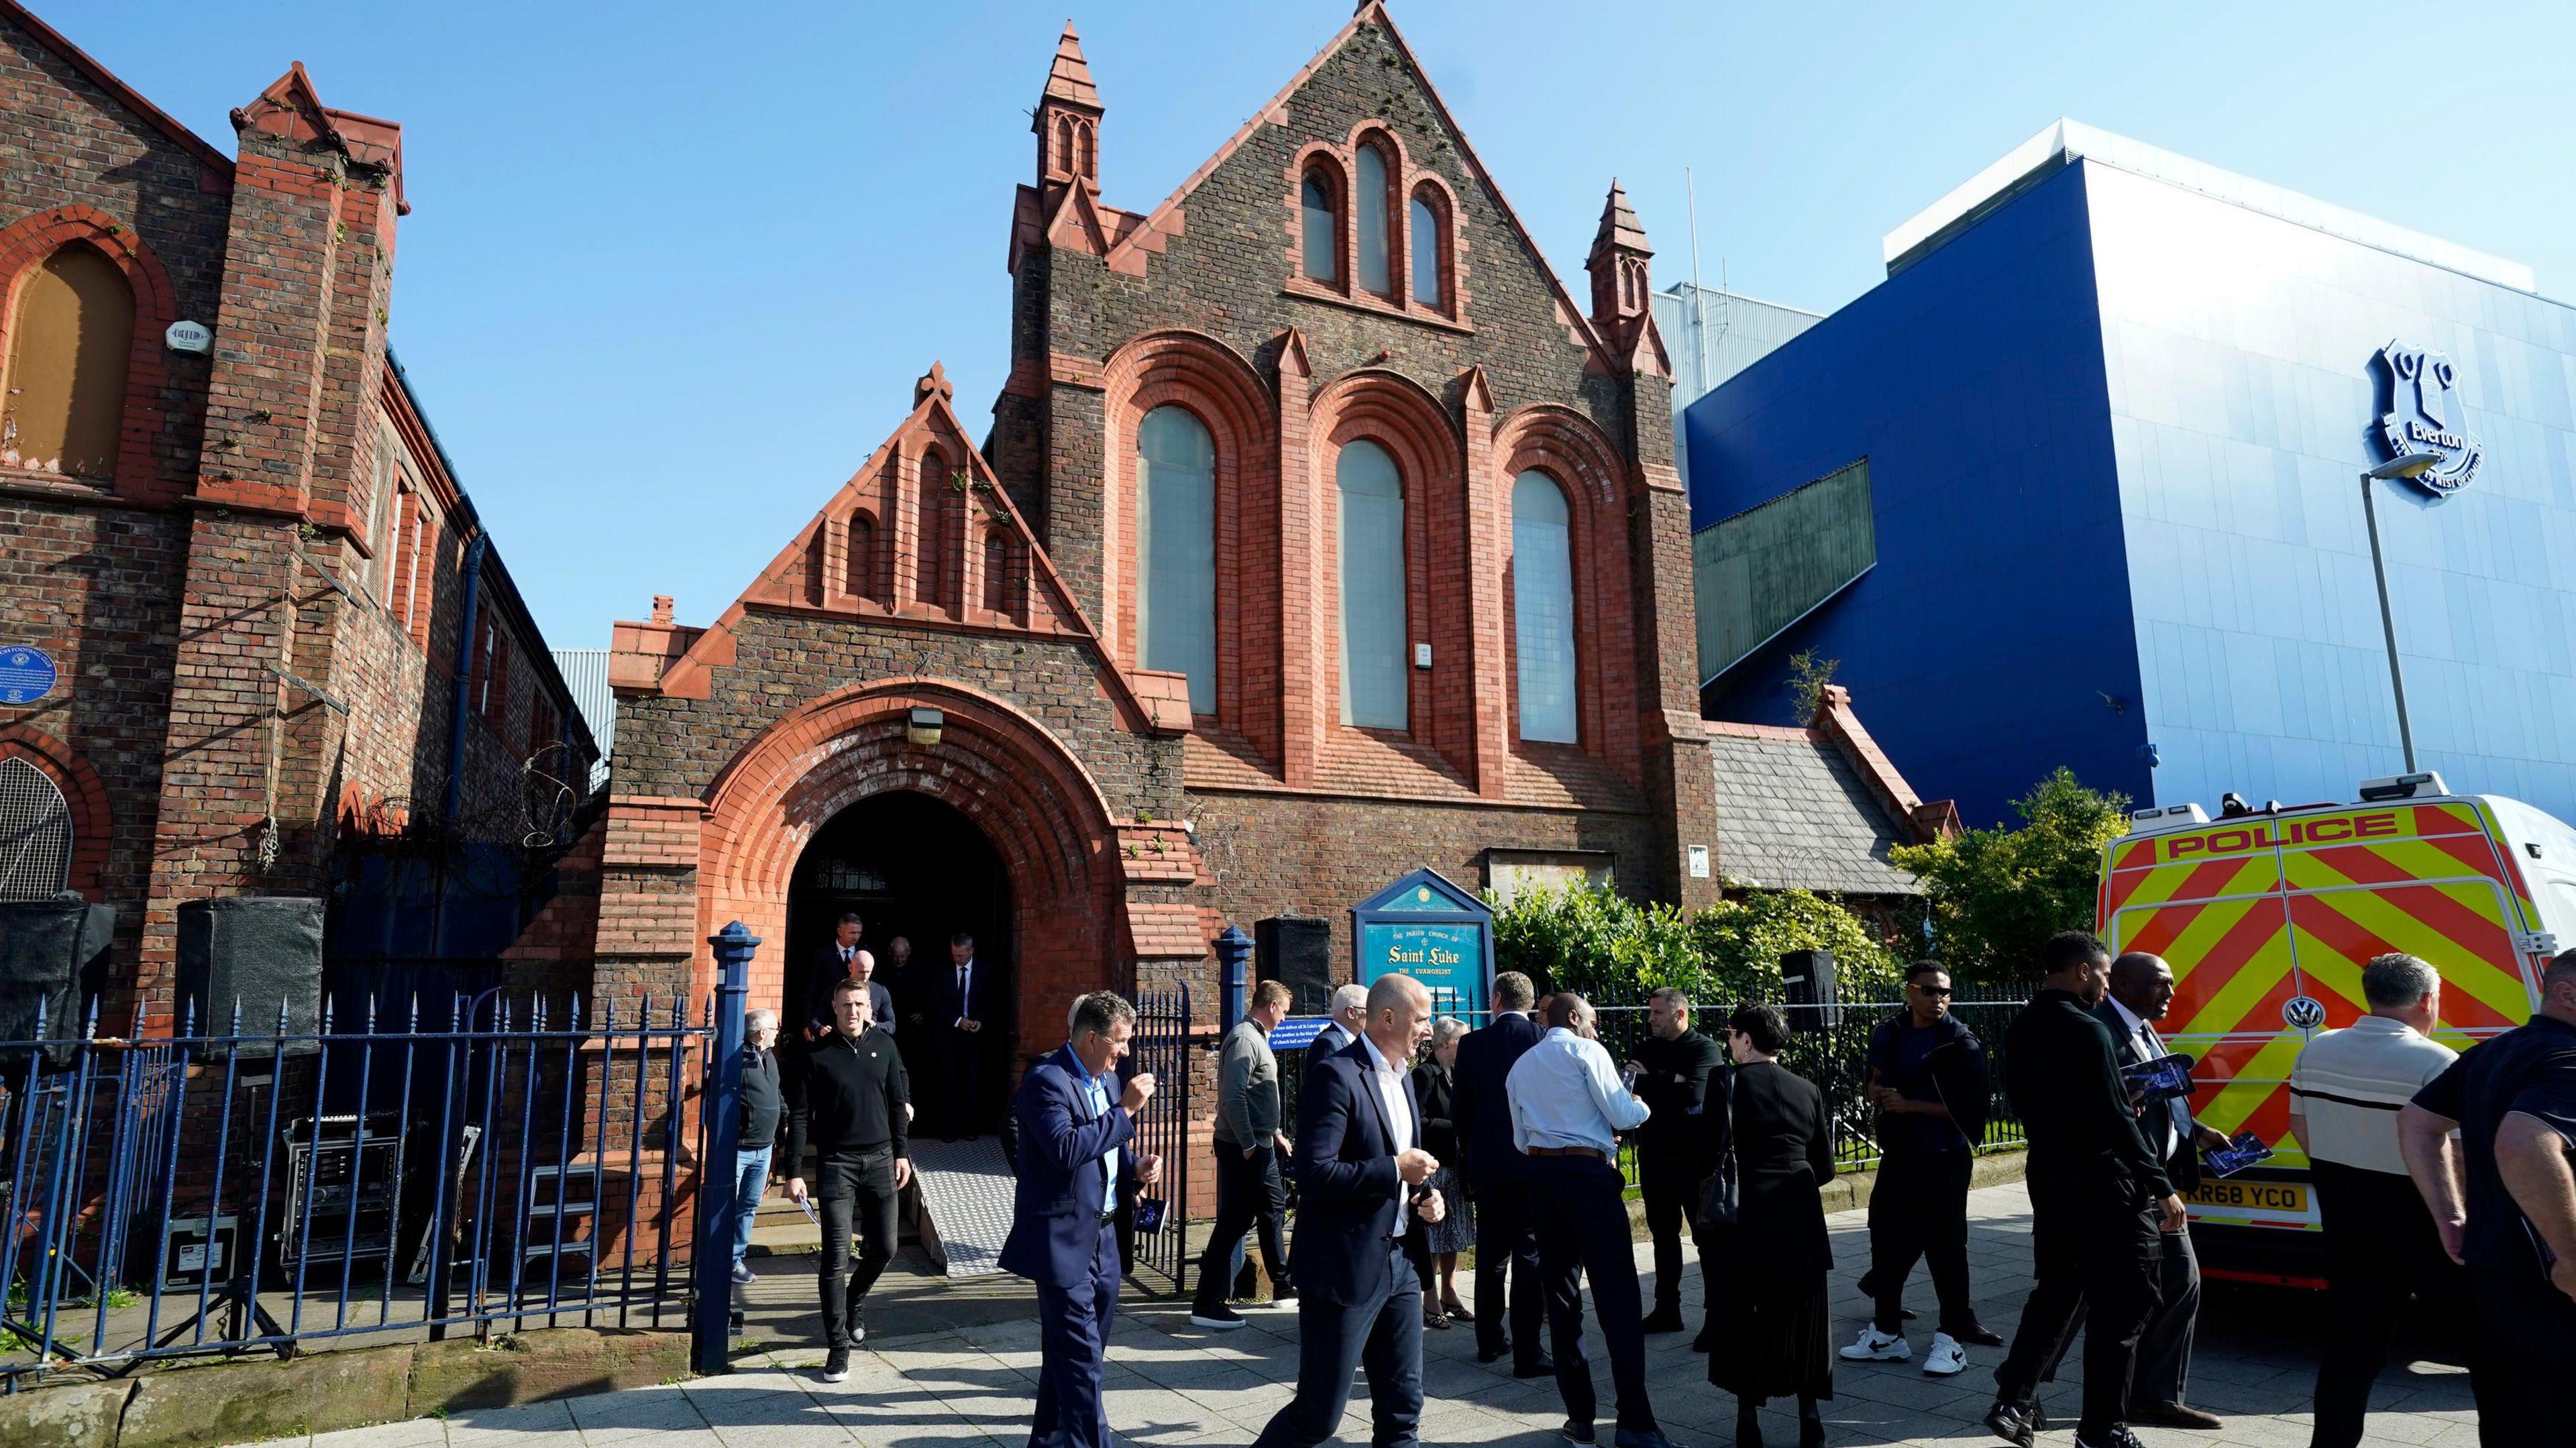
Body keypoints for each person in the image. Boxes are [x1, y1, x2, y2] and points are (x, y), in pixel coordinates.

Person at [2291, 952, 2502, 1448]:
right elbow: (2460, 1154)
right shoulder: (2437, 1061)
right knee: (2485, 1348)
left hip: (2347, 1219)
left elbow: (2302, 1126)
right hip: (2424, 1222)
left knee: (2351, 1347)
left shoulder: (2315, 1050)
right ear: (2428, 1000)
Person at [1985, 931, 2180, 1448]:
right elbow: (2114, 1119)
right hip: (2106, 1184)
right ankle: (2102, 1428)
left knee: (2059, 1288)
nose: (2106, 983)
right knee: (2128, 1301)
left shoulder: (2021, 1025)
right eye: (2103, 973)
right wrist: (2161, 1186)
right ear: (2082, 972)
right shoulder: (2088, 1029)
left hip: (2050, 1175)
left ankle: (2013, 1399)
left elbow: (2045, 1102)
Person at [1251, 973, 1448, 1448]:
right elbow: (1314, 1171)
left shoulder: (1403, 1079)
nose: (1429, 1029)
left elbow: (1405, 1168)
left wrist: (1425, 1196)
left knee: (1403, 1409)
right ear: (1387, 1018)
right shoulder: (1336, 1074)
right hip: (1346, 1266)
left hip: (1401, 1264)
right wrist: (1394, 1168)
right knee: (1318, 1416)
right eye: (1422, 1018)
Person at [2400, 948, 2576, 1443]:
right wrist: (2570, 1255)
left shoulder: (2493, 1050)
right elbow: (2524, 1142)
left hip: (2492, 1269)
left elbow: (2416, 1122)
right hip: (2552, 1282)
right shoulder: (2568, 1058)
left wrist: (2448, 1215)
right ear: (2567, 994)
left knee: (2507, 1415)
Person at [1509, 992, 1677, 1448]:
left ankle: (1580, 1417)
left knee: (1561, 1297)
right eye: (1594, 1020)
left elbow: (1521, 1139)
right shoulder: (1587, 1051)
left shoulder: (1521, 1065)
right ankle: (1635, 1422)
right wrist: (1638, 1104)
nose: (1597, 1029)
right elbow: (1623, 1113)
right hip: (1587, 1174)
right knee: (1617, 1294)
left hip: (1542, 1176)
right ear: (1574, 1016)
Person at [2066, 952, 2224, 1429]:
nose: (2171, 993)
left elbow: (2153, 1092)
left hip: (2154, 1180)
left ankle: (2153, 1396)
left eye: (2171, 983)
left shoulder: (2141, 1027)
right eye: (2161, 984)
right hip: (2127, 1184)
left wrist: (2195, 1131)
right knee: (2081, 1294)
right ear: (2123, 984)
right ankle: (2024, 1382)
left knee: (2177, 1282)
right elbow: (2102, 1109)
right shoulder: (2101, 1031)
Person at [1000, 992, 1163, 1448]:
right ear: (1091, 1038)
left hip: (1108, 1239)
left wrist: (1135, 1168)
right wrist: (1127, 1110)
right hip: (1063, 1242)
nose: (1126, 1051)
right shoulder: (1045, 1080)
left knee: (1069, 1358)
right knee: (1085, 1362)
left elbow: (1108, 1148)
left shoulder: (1109, 1081)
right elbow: (1067, 1149)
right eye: (1120, 1040)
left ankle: (1048, 1440)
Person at [1842, 962, 1997, 1376]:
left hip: (1944, 1156)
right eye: (1929, 991)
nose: (1939, 999)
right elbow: (1873, 1079)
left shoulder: (1960, 1042)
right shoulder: (1889, 1032)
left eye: (1945, 991)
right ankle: (1887, 1334)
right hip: (1900, 1154)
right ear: (1910, 991)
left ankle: (1951, 1339)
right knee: (1886, 1239)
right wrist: (1877, 1091)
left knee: (1946, 1246)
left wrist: (1910, 1105)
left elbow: (1972, 1111)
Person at [1701, 1004, 1836, 1448]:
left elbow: (1708, 1153)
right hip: (1800, 1214)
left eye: (1732, 1033)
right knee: (1803, 1315)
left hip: (1746, 1216)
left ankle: (1747, 1421)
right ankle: (1809, 1415)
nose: (1729, 1041)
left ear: (1746, 1039)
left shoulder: (1725, 1082)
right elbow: (1827, 1166)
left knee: (1743, 1314)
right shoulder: (1807, 1088)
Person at [785, 979, 912, 1380]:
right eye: (845, 1005)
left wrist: (902, 1153)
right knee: (835, 1256)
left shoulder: (886, 1047)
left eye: (859, 1004)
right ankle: (837, 1346)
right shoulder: (817, 1055)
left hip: (880, 1160)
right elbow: (800, 1116)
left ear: (870, 1007)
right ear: (834, 1008)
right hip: (836, 1163)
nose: (852, 1011)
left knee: (887, 1247)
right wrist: (792, 1173)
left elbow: (897, 1102)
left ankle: (855, 1299)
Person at [1452, 970, 1549, 1374]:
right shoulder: (1543, 1041)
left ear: (1495, 1001)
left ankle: (1489, 1340)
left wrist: (1470, 1153)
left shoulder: (1472, 1044)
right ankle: (1529, 1349)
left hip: (1488, 1165)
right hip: (1532, 1161)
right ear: (1529, 1003)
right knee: (1529, 1255)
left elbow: (1461, 1112)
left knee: (1491, 1254)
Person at [1191, 979, 1295, 1329]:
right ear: (1272, 1006)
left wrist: (1274, 1134)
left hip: (1259, 1144)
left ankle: (1281, 1285)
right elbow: (1232, 1097)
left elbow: (1256, 1095)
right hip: (1242, 1148)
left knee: (1273, 1208)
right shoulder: (1244, 1039)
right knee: (1234, 1222)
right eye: (1284, 1012)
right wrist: (1250, 1143)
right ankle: (1207, 1302)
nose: (1284, 1019)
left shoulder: (1257, 1038)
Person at [1623, 986, 1723, 1339]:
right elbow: (1629, 1088)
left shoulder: (1704, 1048)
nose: (1650, 1019)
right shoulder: (1647, 1048)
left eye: (1657, 1013)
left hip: (1695, 1161)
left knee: (1706, 1240)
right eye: (1650, 1013)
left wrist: (1655, 1081)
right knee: (1663, 1238)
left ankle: (1717, 1319)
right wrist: (1670, 1082)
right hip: (1654, 1157)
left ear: (1680, 1014)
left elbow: (1697, 1093)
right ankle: (1667, 1309)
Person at [1411, 1016, 1476, 1328]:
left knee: (1454, 1234)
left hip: (1455, 1165)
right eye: (1462, 1042)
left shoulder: (1456, 1074)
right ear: (1446, 1043)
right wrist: (1455, 1128)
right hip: (1434, 1167)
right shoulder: (1425, 1074)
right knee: (1435, 1238)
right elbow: (1416, 1122)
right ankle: (1431, 1298)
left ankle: (1450, 1292)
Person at [732, 1008, 783, 1286]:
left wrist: (784, 1119)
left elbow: (776, 1093)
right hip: (740, 1148)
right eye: (775, 1028)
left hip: (765, 1148)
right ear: (762, 1032)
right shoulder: (739, 1059)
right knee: (725, 1206)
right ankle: (716, 1258)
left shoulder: (768, 1058)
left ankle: (735, 1260)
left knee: (749, 1206)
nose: (778, 1033)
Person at [933, 932, 994, 1139]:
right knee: (951, 1082)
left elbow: (990, 1000)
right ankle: (951, 1130)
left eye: (961, 955)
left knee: (973, 1082)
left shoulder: (984, 971)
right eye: (954, 955)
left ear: (971, 951)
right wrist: (958, 1021)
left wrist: (980, 1021)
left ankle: (971, 1129)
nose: (957, 959)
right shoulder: (943, 972)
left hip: (975, 1036)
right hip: (950, 1034)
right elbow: (937, 1003)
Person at [808, 943, 895, 1044]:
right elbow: (816, 1020)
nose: (865, 977)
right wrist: (821, 1029)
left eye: (868, 972)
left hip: (871, 1044)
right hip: (840, 1043)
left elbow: (891, 1026)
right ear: (850, 968)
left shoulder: (880, 991)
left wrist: (873, 1024)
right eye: (861, 972)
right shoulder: (836, 990)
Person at [804, 913, 871, 1042]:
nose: (856, 937)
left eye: (859, 933)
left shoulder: (865, 953)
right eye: (852, 933)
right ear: (840, 931)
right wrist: (808, 1023)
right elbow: (810, 991)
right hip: (827, 1021)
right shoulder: (822, 954)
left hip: (856, 1019)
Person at [1306, 983, 1368, 1078]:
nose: (1372, 1015)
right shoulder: (1327, 1044)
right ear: (1351, 1013)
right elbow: (1325, 1088)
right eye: (1369, 1009)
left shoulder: (1357, 1041)